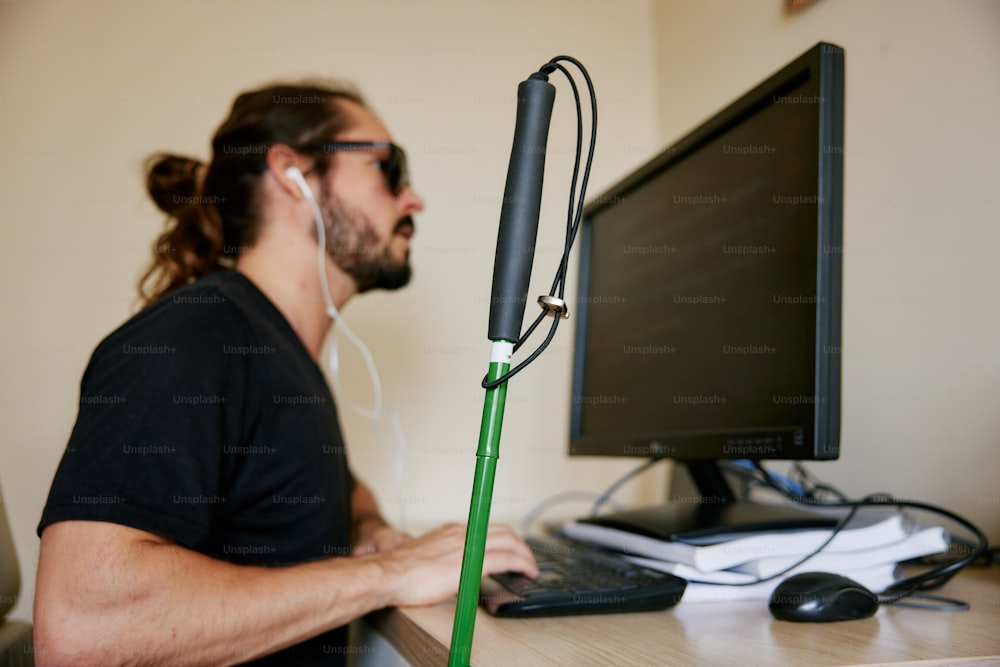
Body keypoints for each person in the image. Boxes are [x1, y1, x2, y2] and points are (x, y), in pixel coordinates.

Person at [33, 81, 538, 667]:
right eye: (388, 167)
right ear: (291, 172)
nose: (413, 200)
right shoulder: (192, 338)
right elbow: (80, 632)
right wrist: (388, 573)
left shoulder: (281, 354)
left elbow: (328, 492)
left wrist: (373, 531)